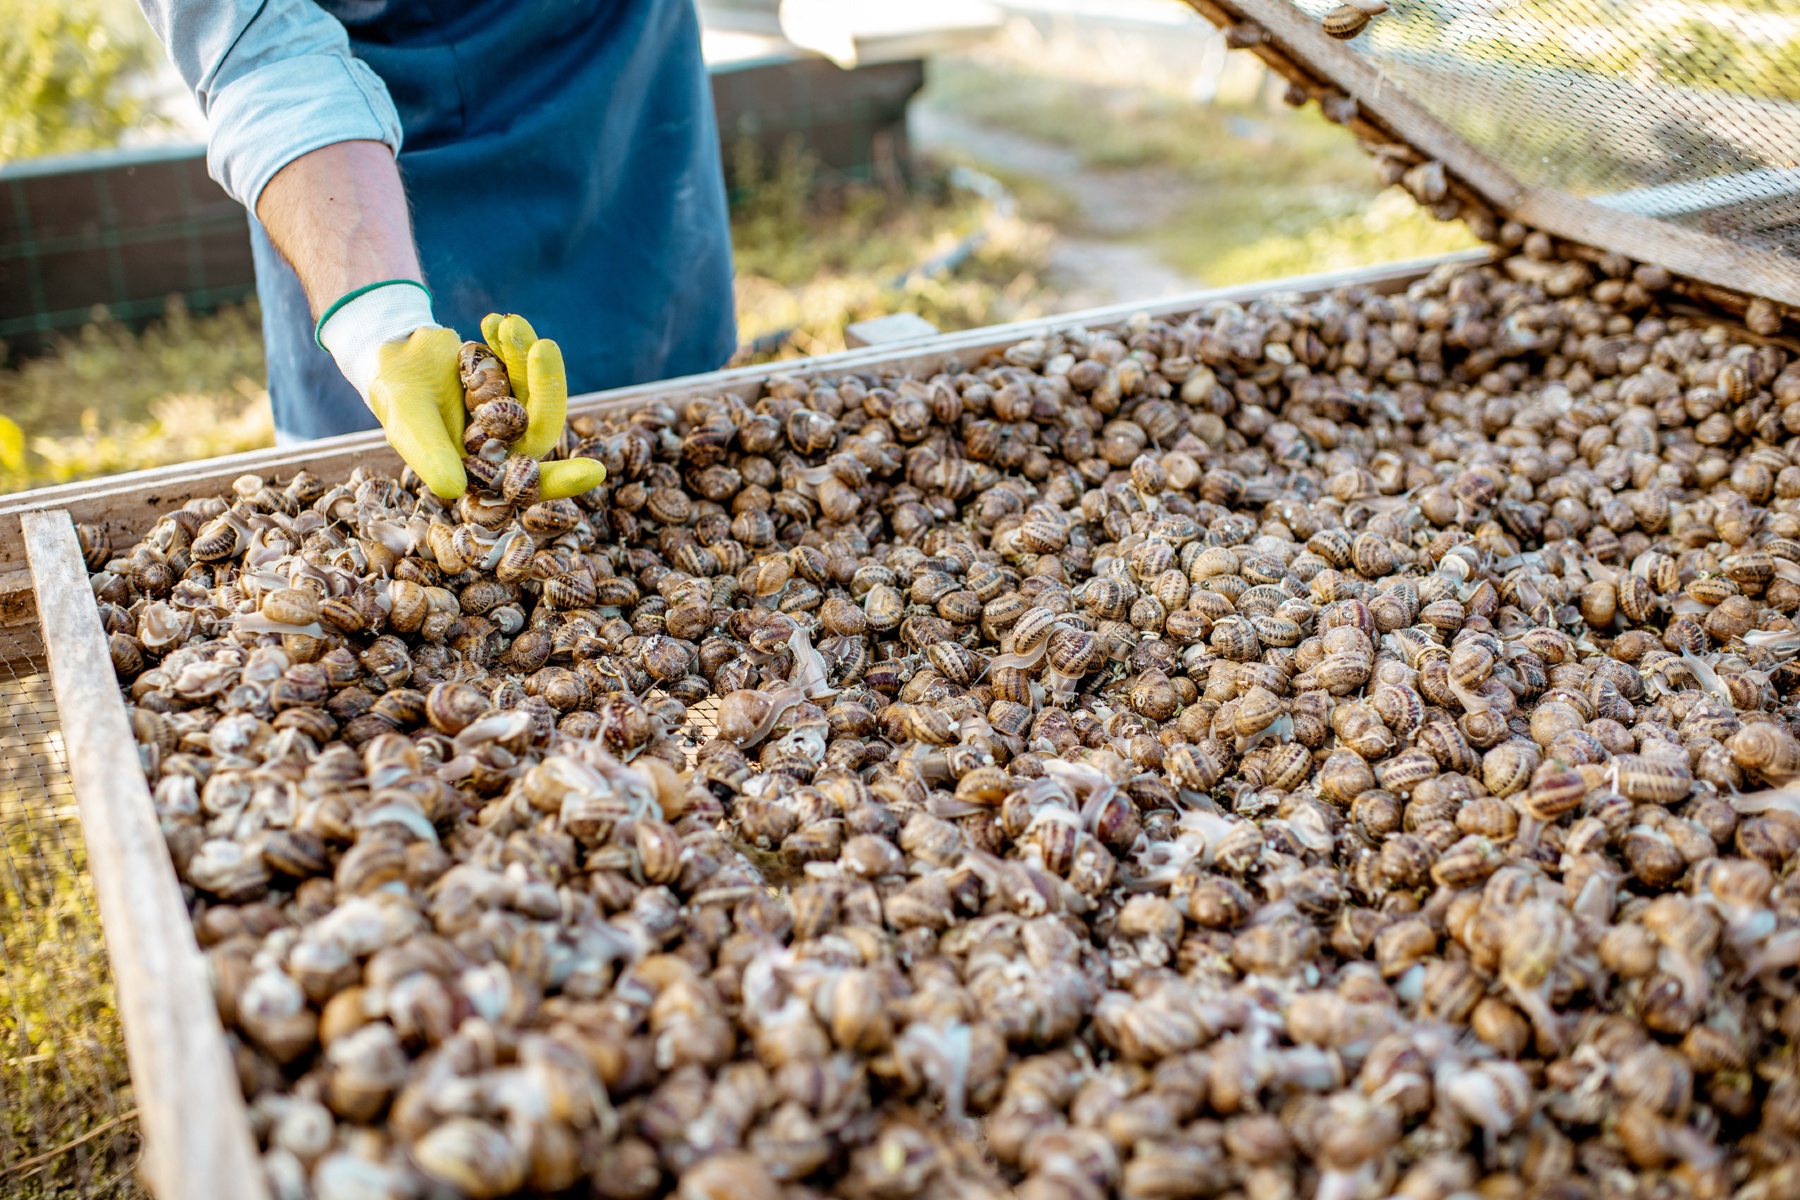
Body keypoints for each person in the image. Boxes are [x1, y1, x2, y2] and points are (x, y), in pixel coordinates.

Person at [135, 0, 738, 499]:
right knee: (392, 483)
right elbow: (260, 55)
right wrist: (380, 319)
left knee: (671, 448)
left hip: (620, 79)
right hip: (363, 135)